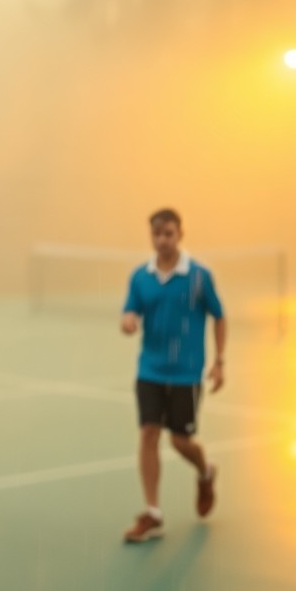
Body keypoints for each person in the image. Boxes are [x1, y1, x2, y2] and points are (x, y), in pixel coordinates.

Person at [120, 208, 226, 543]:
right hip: (149, 370)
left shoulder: (198, 276)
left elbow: (219, 317)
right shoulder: (140, 276)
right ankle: (152, 513)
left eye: (168, 233)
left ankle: (205, 471)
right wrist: (128, 321)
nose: (162, 240)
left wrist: (219, 361)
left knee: (180, 441)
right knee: (149, 433)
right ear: (150, 236)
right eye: (157, 234)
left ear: (181, 234)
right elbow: (131, 308)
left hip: (186, 374)